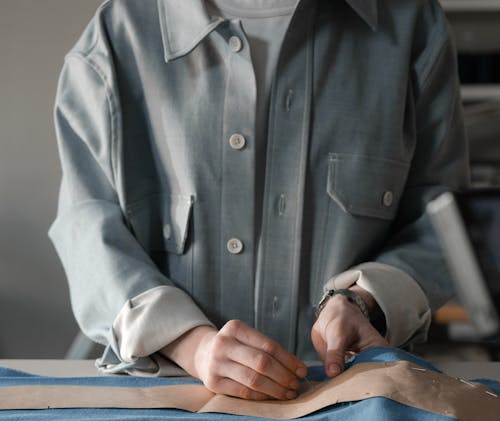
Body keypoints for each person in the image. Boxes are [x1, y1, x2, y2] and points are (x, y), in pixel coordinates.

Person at [49, 0, 469, 400]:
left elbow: (445, 220)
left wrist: (366, 300)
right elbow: (86, 224)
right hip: (171, 402)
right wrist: (192, 346)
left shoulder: (411, 22)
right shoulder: (119, 32)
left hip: (358, 399)